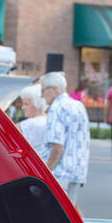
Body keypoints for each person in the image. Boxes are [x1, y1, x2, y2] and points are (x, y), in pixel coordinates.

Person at [39, 70, 90, 211]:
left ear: (53, 89)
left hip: (60, 173)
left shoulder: (56, 108)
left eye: (43, 90)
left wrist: (46, 171)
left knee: (53, 214)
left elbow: (57, 147)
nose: (41, 95)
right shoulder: (78, 105)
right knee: (69, 214)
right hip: (77, 170)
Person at [16, 84, 48, 157]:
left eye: (26, 104)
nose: (23, 107)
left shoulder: (28, 124)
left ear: (37, 104)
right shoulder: (51, 121)